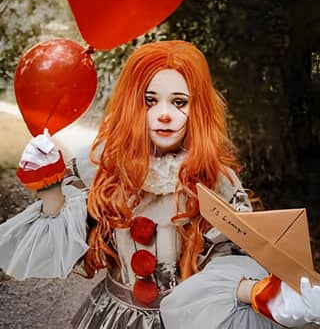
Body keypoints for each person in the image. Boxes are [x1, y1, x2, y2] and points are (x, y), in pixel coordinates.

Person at [0, 40, 319, 329]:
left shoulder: (217, 179)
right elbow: (65, 243)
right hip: (112, 318)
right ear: (133, 106)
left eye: (179, 102)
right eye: (150, 101)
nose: (164, 115)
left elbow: (235, 262)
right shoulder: (102, 165)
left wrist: (265, 294)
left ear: (197, 109)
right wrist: (49, 185)